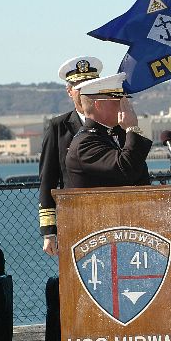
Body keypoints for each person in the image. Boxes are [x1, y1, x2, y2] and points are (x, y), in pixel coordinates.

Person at [39, 55, 104, 255]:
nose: (85, 92)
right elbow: (47, 179)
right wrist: (49, 231)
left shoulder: (113, 125)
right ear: (69, 91)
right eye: (79, 87)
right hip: (74, 218)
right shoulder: (58, 127)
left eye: (90, 85)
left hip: (110, 215)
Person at [65, 72, 152, 188]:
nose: (124, 104)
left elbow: (140, 177)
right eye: (117, 99)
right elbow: (127, 169)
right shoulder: (84, 144)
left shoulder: (114, 134)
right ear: (98, 105)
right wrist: (132, 128)